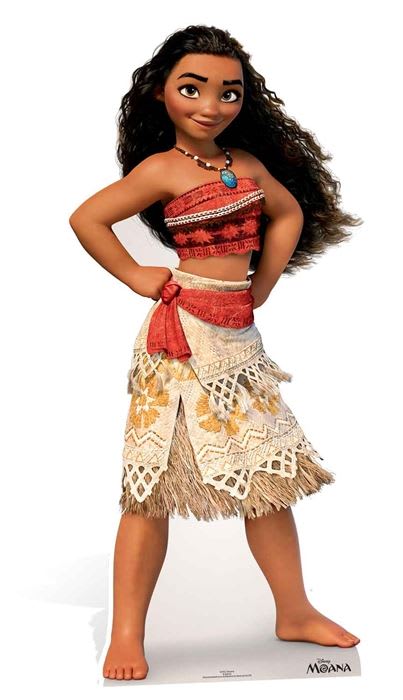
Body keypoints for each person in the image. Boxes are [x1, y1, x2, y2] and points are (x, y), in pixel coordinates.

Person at [69, 24, 362, 682]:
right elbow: (87, 218)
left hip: (237, 338)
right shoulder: (160, 170)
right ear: (161, 93)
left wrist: (261, 285)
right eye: (192, 88)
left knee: (267, 480)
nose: (211, 105)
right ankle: (125, 632)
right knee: (149, 489)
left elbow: (287, 214)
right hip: (179, 340)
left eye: (228, 92)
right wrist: (136, 275)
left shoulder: (245, 163)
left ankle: (293, 610)